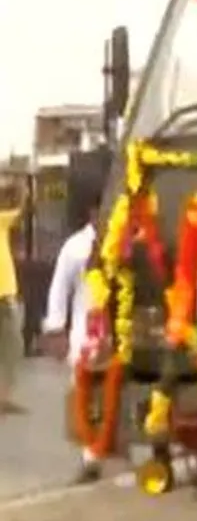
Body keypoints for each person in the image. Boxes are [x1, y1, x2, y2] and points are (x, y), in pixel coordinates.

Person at [40, 186, 102, 483]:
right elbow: (59, 288)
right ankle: (90, 459)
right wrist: (56, 328)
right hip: (84, 334)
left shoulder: (130, 240)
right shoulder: (75, 247)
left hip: (121, 333)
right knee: (84, 396)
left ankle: (156, 454)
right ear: (92, 211)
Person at [0, 186, 26, 415]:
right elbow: (21, 203)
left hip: (6, 295)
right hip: (3, 297)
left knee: (11, 348)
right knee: (12, 348)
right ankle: (3, 398)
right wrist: (17, 188)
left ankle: (3, 398)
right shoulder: (1, 222)